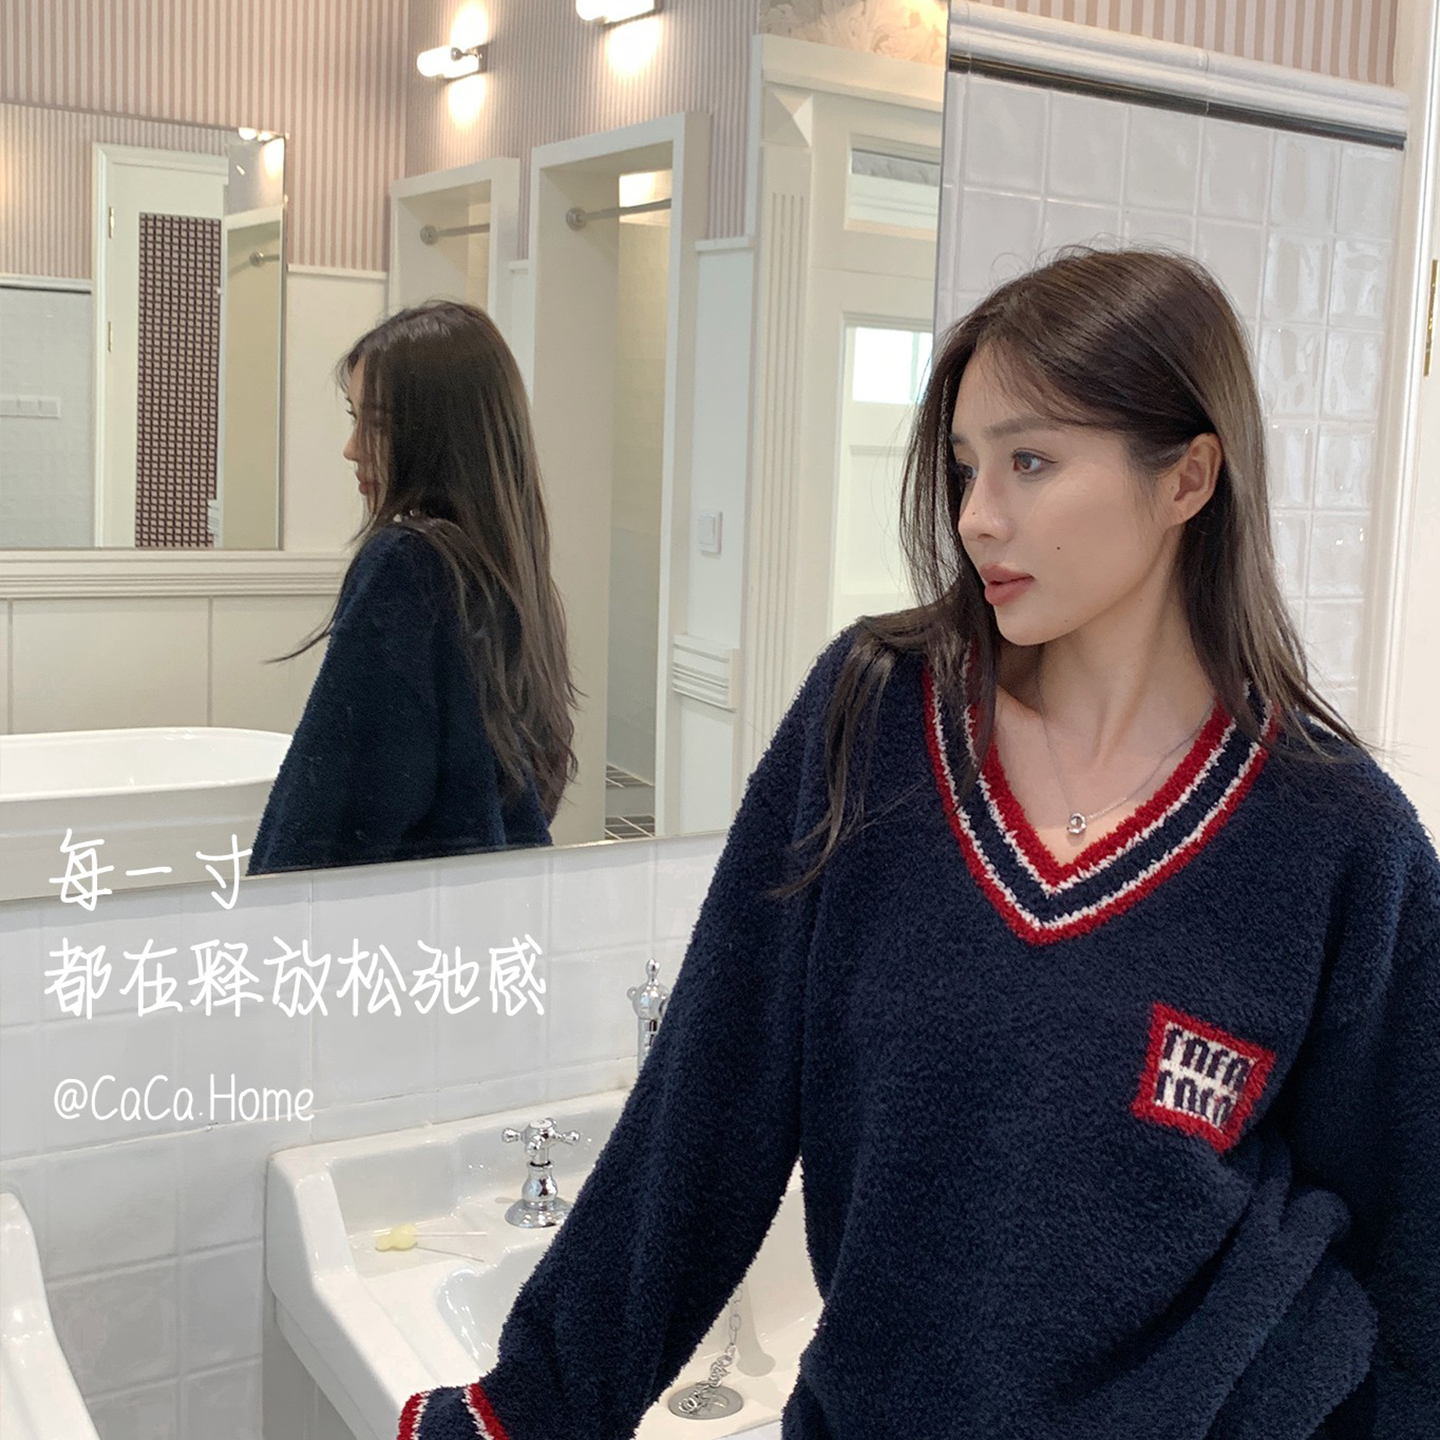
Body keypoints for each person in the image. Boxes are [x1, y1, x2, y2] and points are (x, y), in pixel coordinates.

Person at [396, 250, 1439, 1439]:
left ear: (1187, 478)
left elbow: (1415, 1250)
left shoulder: (1340, 837)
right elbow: (711, 1093)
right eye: (965, 466)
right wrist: (528, 1408)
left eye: (1030, 461)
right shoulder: (874, 715)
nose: (977, 515)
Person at [248, 301, 578, 875]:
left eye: (376, 423)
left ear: (443, 432)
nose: (352, 448)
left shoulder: (407, 567)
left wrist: (266, 910)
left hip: (392, 922)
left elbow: (332, 815)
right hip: (489, 910)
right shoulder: (506, 574)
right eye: (354, 418)